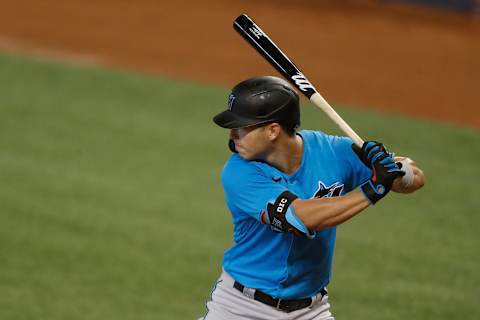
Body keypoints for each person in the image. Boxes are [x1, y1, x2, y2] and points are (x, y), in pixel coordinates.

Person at [201, 76, 425, 320]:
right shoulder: (239, 173)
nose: (232, 134)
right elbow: (299, 217)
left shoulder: (332, 151)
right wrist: (372, 189)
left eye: (242, 126)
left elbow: (415, 177)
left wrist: (396, 170)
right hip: (241, 309)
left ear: (273, 130)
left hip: (311, 310)